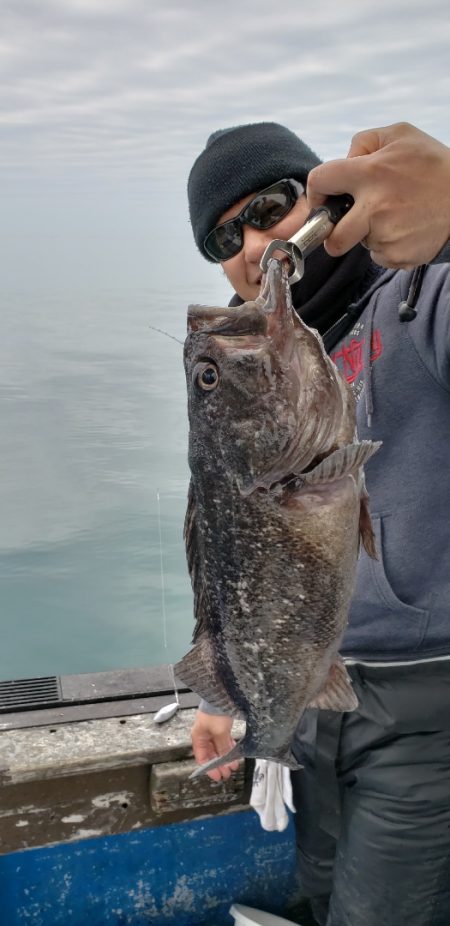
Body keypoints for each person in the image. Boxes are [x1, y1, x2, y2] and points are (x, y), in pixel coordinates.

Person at [186, 120, 450, 926]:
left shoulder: (425, 292)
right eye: (223, 235)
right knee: (317, 894)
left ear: (324, 193)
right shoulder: (252, 366)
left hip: (424, 712)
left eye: (269, 204)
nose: (253, 241)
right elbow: (220, 544)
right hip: (309, 701)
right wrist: (222, 687)